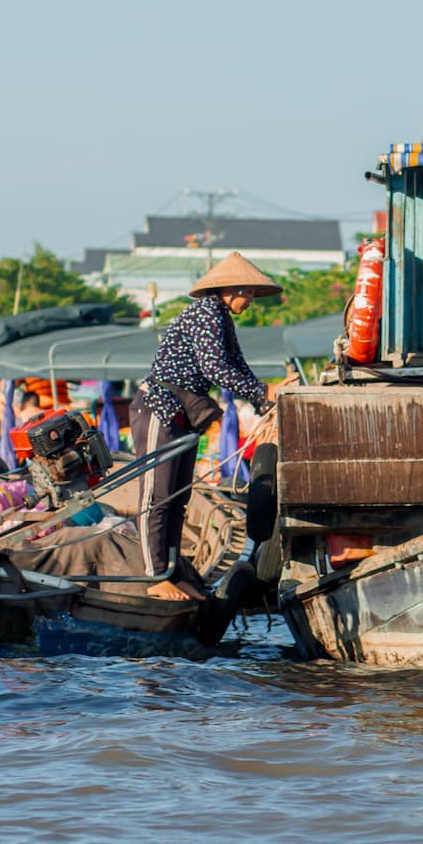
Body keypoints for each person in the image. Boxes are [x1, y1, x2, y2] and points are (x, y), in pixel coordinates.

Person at [129, 251, 281, 600]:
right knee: (157, 497)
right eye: (250, 293)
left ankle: (172, 570)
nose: (252, 300)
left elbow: (237, 365)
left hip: (183, 414)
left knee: (178, 498)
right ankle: (154, 577)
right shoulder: (205, 312)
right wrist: (260, 391)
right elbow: (215, 368)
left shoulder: (222, 318)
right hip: (159, 408)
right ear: (232, 288)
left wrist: (262, 400)